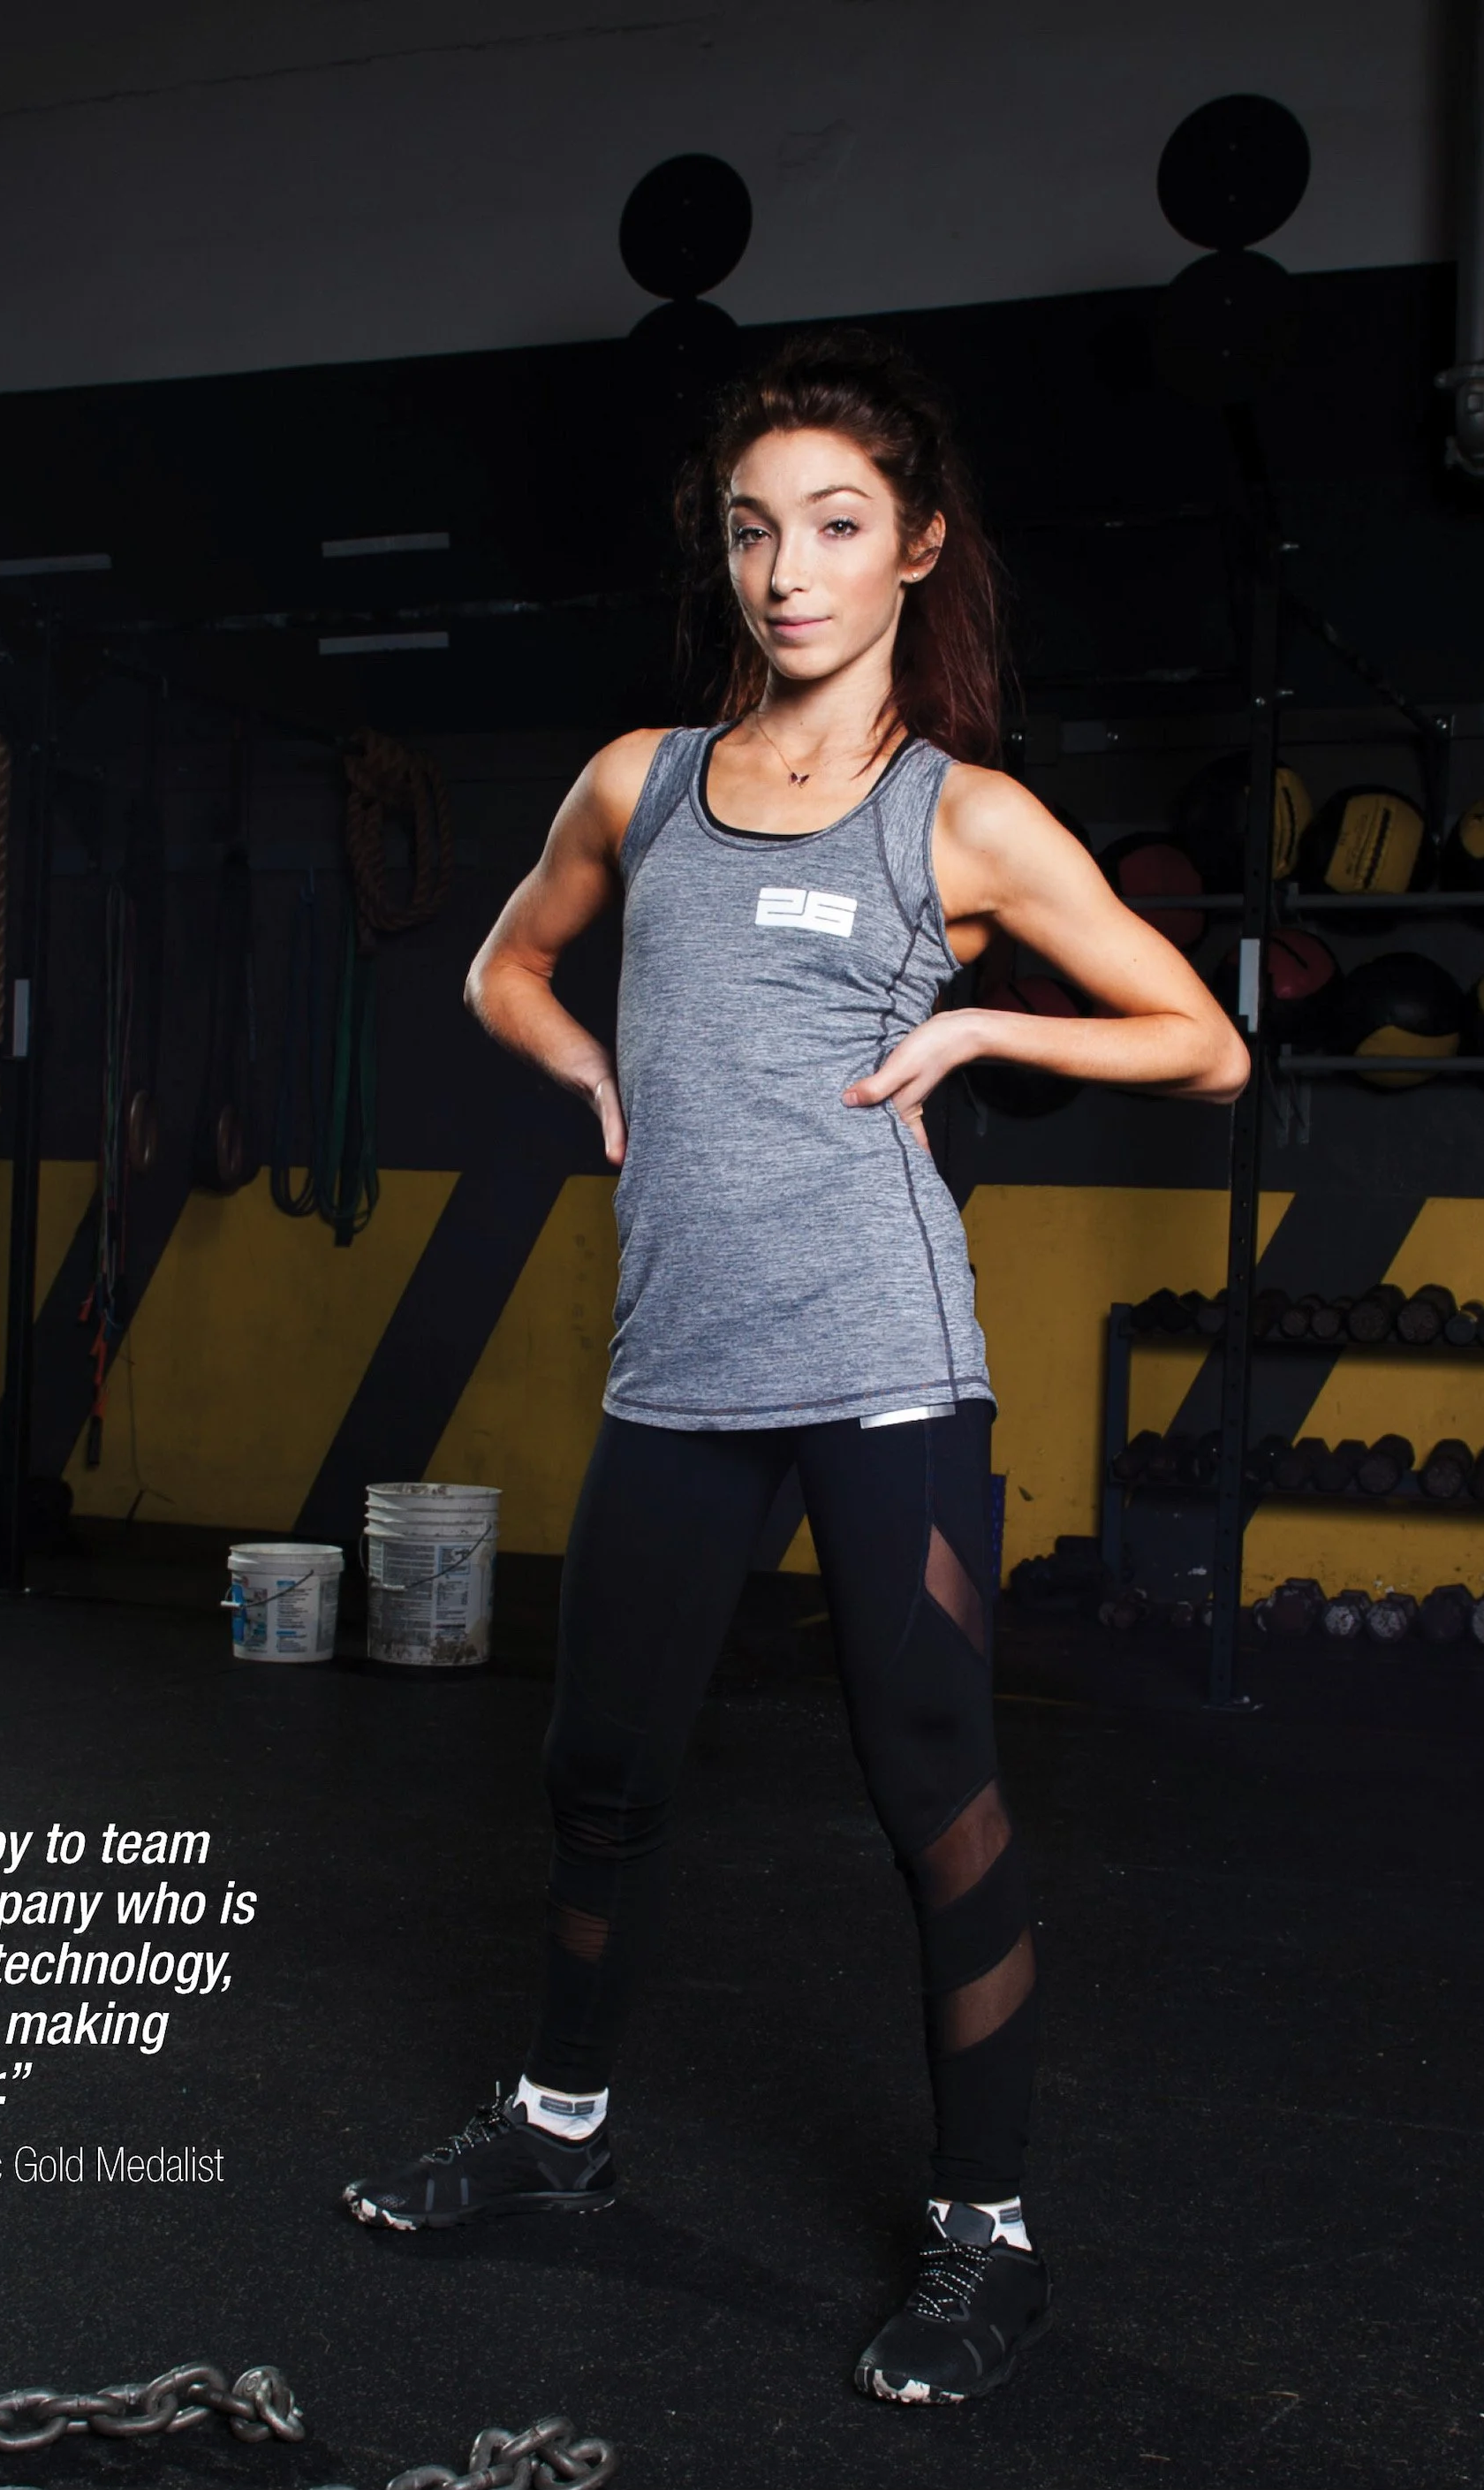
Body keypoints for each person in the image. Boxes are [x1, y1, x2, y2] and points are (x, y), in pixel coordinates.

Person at [340, 328, 1248, 2404]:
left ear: (915, 547)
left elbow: (1201, 1037)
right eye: (753, 529)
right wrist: (590, 1072)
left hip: (879, 1363)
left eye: (835, 525)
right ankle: (556, 2126)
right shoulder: (634, 781)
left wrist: (979, 1030)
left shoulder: (965, 815)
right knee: (599, 1767)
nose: (788, 569)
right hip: (677, 1360)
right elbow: (503, 964)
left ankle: (984, 2232)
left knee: (928, 1788)